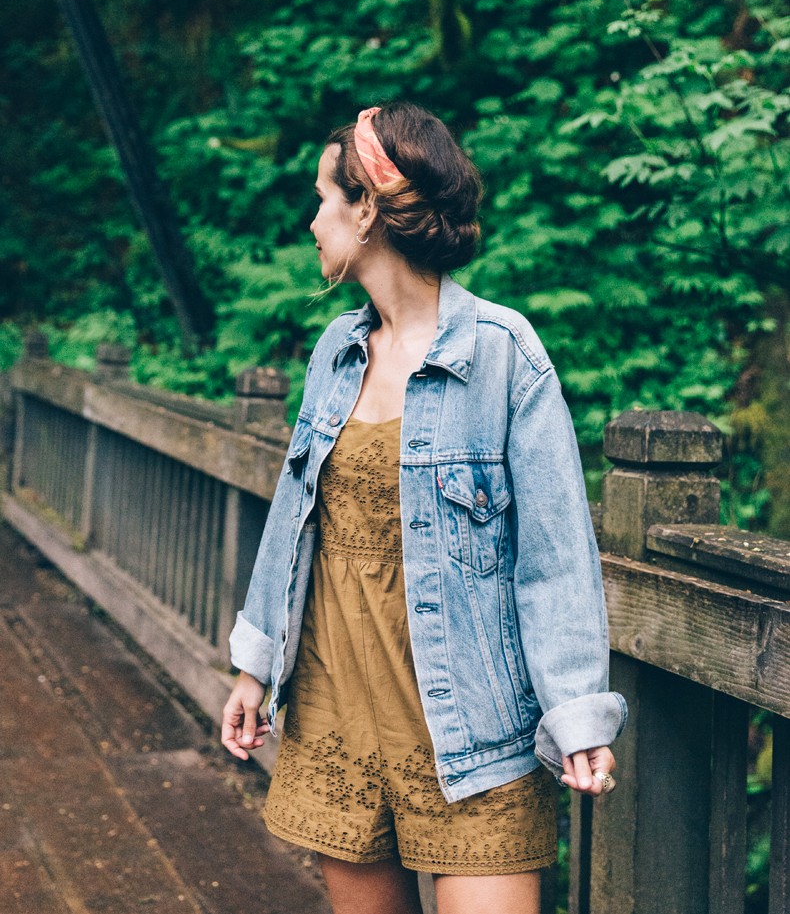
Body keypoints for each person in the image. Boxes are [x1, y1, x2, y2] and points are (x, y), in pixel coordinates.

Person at [221, 102, 627, 914]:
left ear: (367, 207)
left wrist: (578, 710)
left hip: (471, 734)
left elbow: (555, 554)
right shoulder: (334, 352)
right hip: (338, 713)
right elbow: (294, 519)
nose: (311, 221)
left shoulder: (503, 354)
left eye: (323, 199)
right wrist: (253, 664)